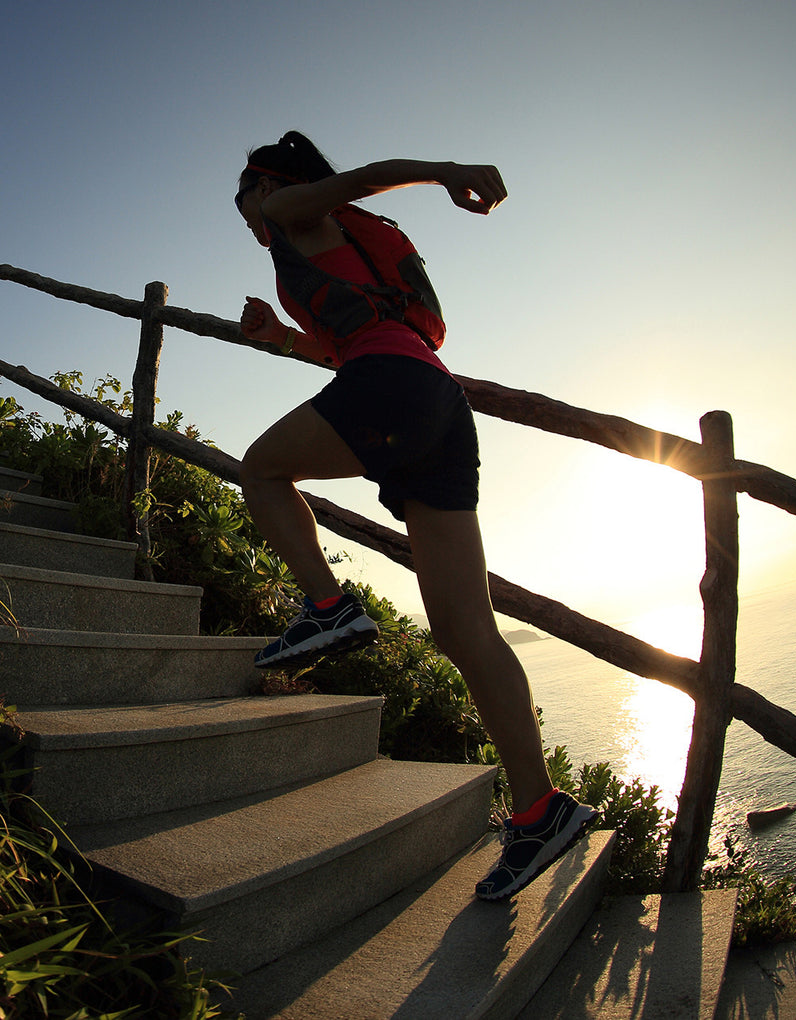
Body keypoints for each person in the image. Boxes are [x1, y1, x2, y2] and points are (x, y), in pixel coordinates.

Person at [232, 131, 595, 901]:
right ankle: (539, 811)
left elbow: (365, 177)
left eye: (245, 202)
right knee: (468, 629)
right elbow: (357, 344)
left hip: (392, 387)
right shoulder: (343, 243)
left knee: (260, 470)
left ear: (266, 184)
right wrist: (281, 339)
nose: (247, 219)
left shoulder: (290, 206)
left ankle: (327, 607)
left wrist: (446, 171)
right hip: (434, 399)